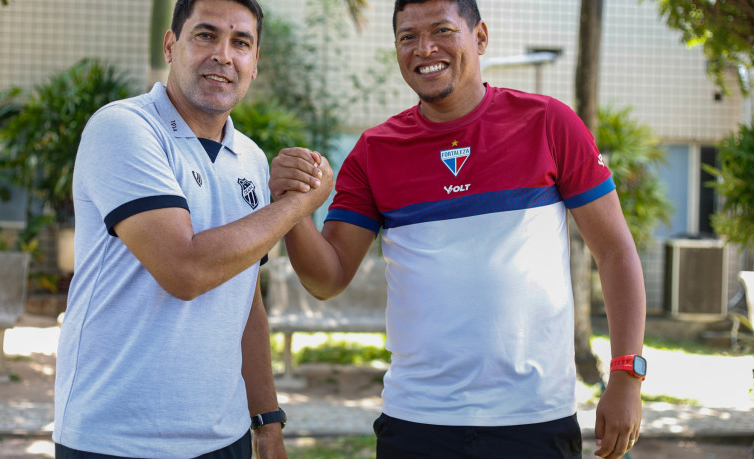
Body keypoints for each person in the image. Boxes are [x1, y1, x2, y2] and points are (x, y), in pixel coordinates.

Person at [268, 0, 646, 458]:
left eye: (442, 30)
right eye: (408, 36)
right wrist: (293, 206)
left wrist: (627, 374)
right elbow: (327, 279)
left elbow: (615, 252)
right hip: (417, 421)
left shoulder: (549, 123)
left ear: (480, 38)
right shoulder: (374, 152)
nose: (424, 48)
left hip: (532, 419)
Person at [52, 0, 333, 458]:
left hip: (224, 439)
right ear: (170, 45)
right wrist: (299, 204)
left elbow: (246, 300)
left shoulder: (252, 158)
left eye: (241, 42)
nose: (224, 54)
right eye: (206, 35)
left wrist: (266, 422)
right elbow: (184, 271)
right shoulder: (123, 128)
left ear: (255, 64)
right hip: (115, 438)